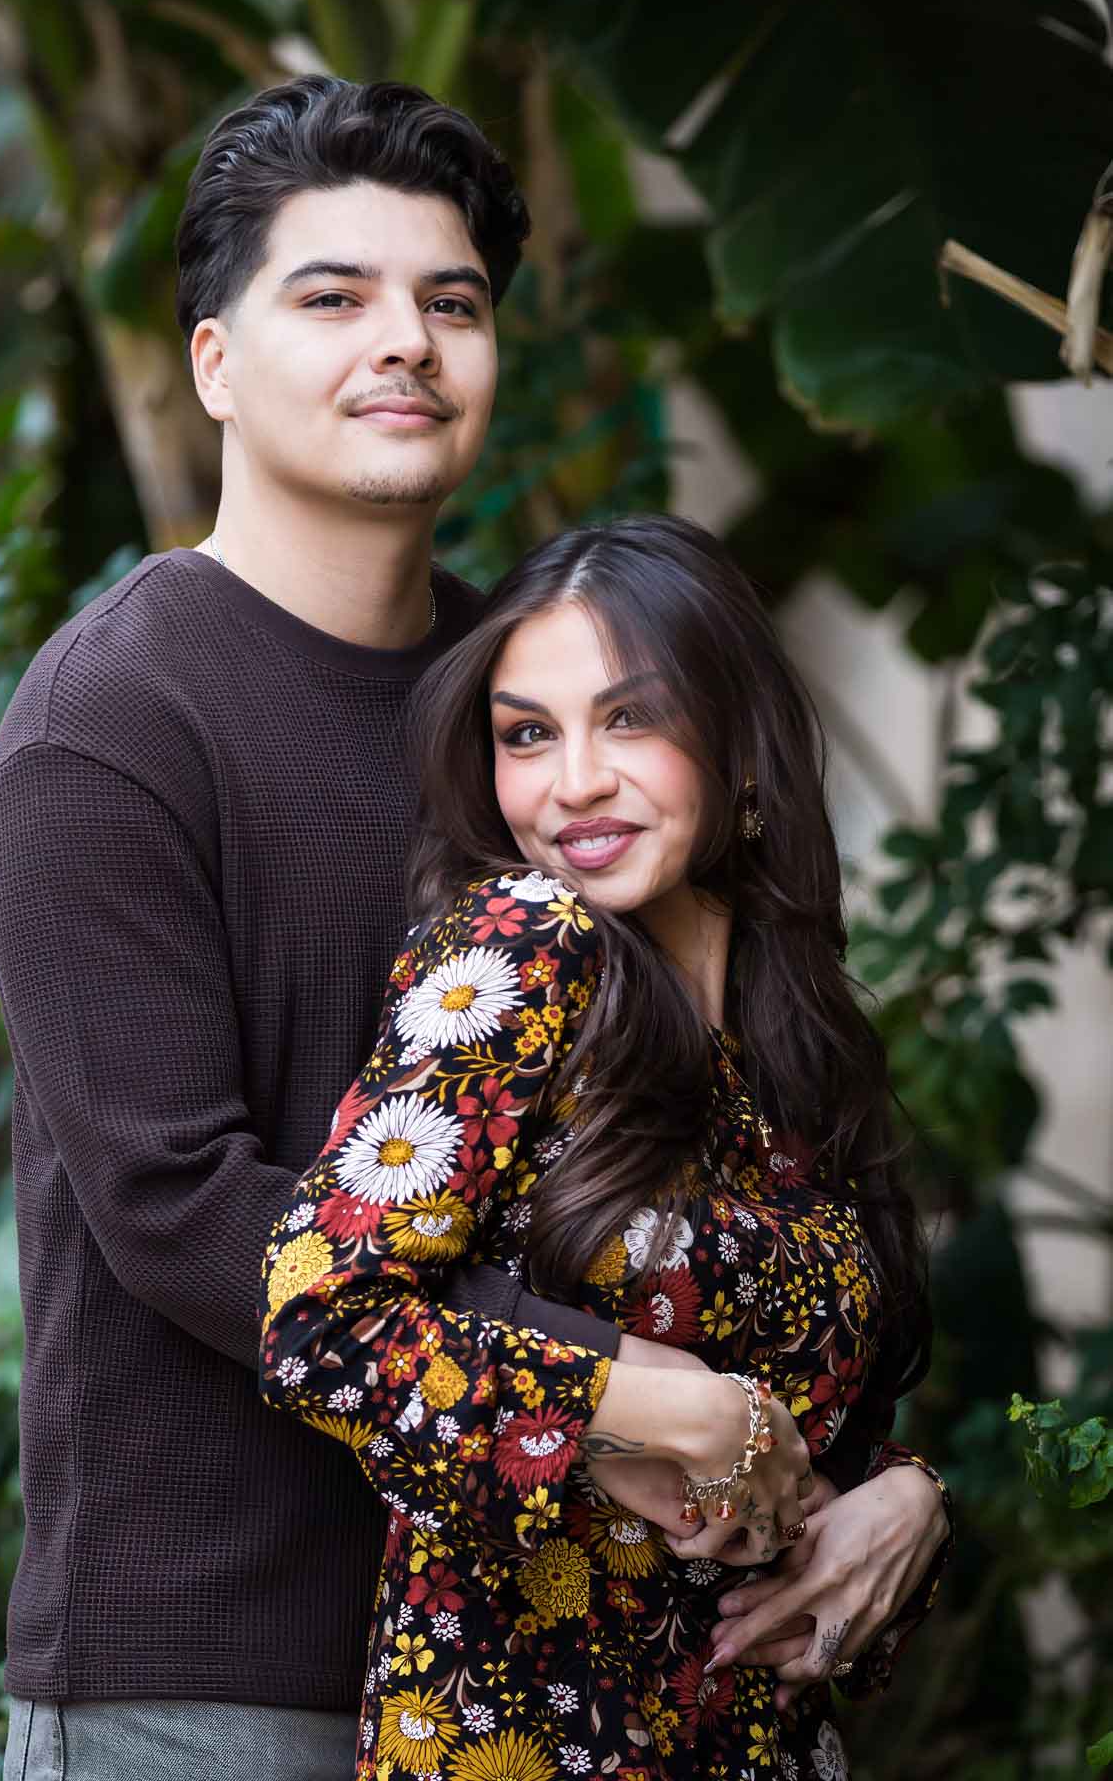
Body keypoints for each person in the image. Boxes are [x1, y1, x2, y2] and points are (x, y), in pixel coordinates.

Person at [0, 72, 944, 1781]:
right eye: (331, 297)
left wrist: (883, 1481)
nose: (405, 342)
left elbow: (766, 1131)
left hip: (596, 1663)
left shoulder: (554, 700)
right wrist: (612, 1403)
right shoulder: (109, 724)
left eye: (452, 302)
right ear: (212, 360)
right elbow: (177, 1203)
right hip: (233, 1660)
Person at [259, 513, 952, 1781]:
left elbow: (814, 1419)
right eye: (528, 733)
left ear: (741, 746)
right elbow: (326, 1323)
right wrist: (647, 1405)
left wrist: (905, 1498)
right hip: (528, 1734)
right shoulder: (525, 942)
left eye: (629, 719)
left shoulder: (794, 1036)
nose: (571, 780)